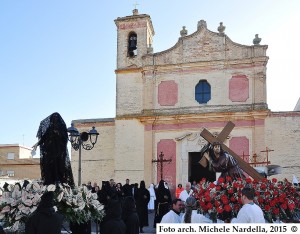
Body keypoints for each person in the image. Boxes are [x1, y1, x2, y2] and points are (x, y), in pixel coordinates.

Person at [32, 112, 75, 186]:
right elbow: (44, 138)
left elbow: (65, 138)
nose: (54, 120)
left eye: (56, 117)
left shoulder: (62, 127)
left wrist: (58, 133)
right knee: (50, 168)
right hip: (50, 152)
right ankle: (50, 184)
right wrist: (36, 144)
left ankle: (59, 183)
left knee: (59, 168)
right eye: (53, 118)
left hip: (59, 152)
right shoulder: (50, 128)